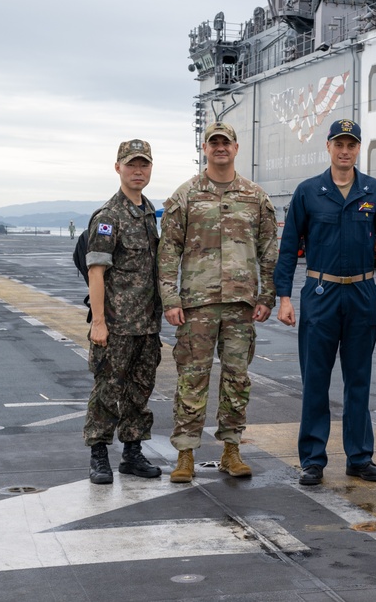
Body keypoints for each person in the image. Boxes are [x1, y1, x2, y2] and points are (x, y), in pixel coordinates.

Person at [275, 119, 376, 486]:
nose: (345, 151)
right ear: (328, 146)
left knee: (359, 379)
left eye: (352, 145)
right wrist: (284, 298)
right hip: (320, 294)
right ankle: (312, 458)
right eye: (339, 144)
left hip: (361, 294)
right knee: (315, 380)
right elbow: (288, 247)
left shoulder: (374, 192)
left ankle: (359, 457)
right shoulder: (309, 191)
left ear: (358, 149)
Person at [158, 121, 279, 483]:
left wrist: (267, 295)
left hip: (241, 304)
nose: (220, 148)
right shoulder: (186, 195)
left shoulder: (255, 197)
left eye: (226, 143)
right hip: (197, 304)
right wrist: (170, 298)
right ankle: (185, 453)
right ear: (205, 149)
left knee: (236, 379)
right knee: (191, 378)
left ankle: (231, 449)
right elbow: (168, 252)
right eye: (214, 143)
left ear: (236, 148)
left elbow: (269, 250)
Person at [83, 139, 163, 484]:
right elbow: (96, 271)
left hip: (147, 324)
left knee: (139, 391)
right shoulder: (108, 216)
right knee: (106, 392)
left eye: (143, 164)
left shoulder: (148, 213)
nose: (138, 171)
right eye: (131, 165)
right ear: (118, 168)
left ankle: (132, 454)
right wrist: (99, 323)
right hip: (115, 325)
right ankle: (99, 456)